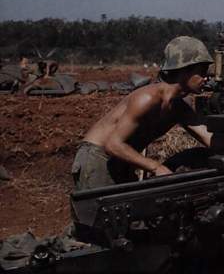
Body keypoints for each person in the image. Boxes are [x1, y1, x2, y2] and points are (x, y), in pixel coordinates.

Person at [71, 36, 214, 191]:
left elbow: (208, 138)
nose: (207, 78)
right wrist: (156, 167)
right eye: (202, 72)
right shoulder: (147, 98)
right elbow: (112, 145)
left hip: (123, 159)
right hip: (98, 157)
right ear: (184, 70)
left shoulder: (178, 107)